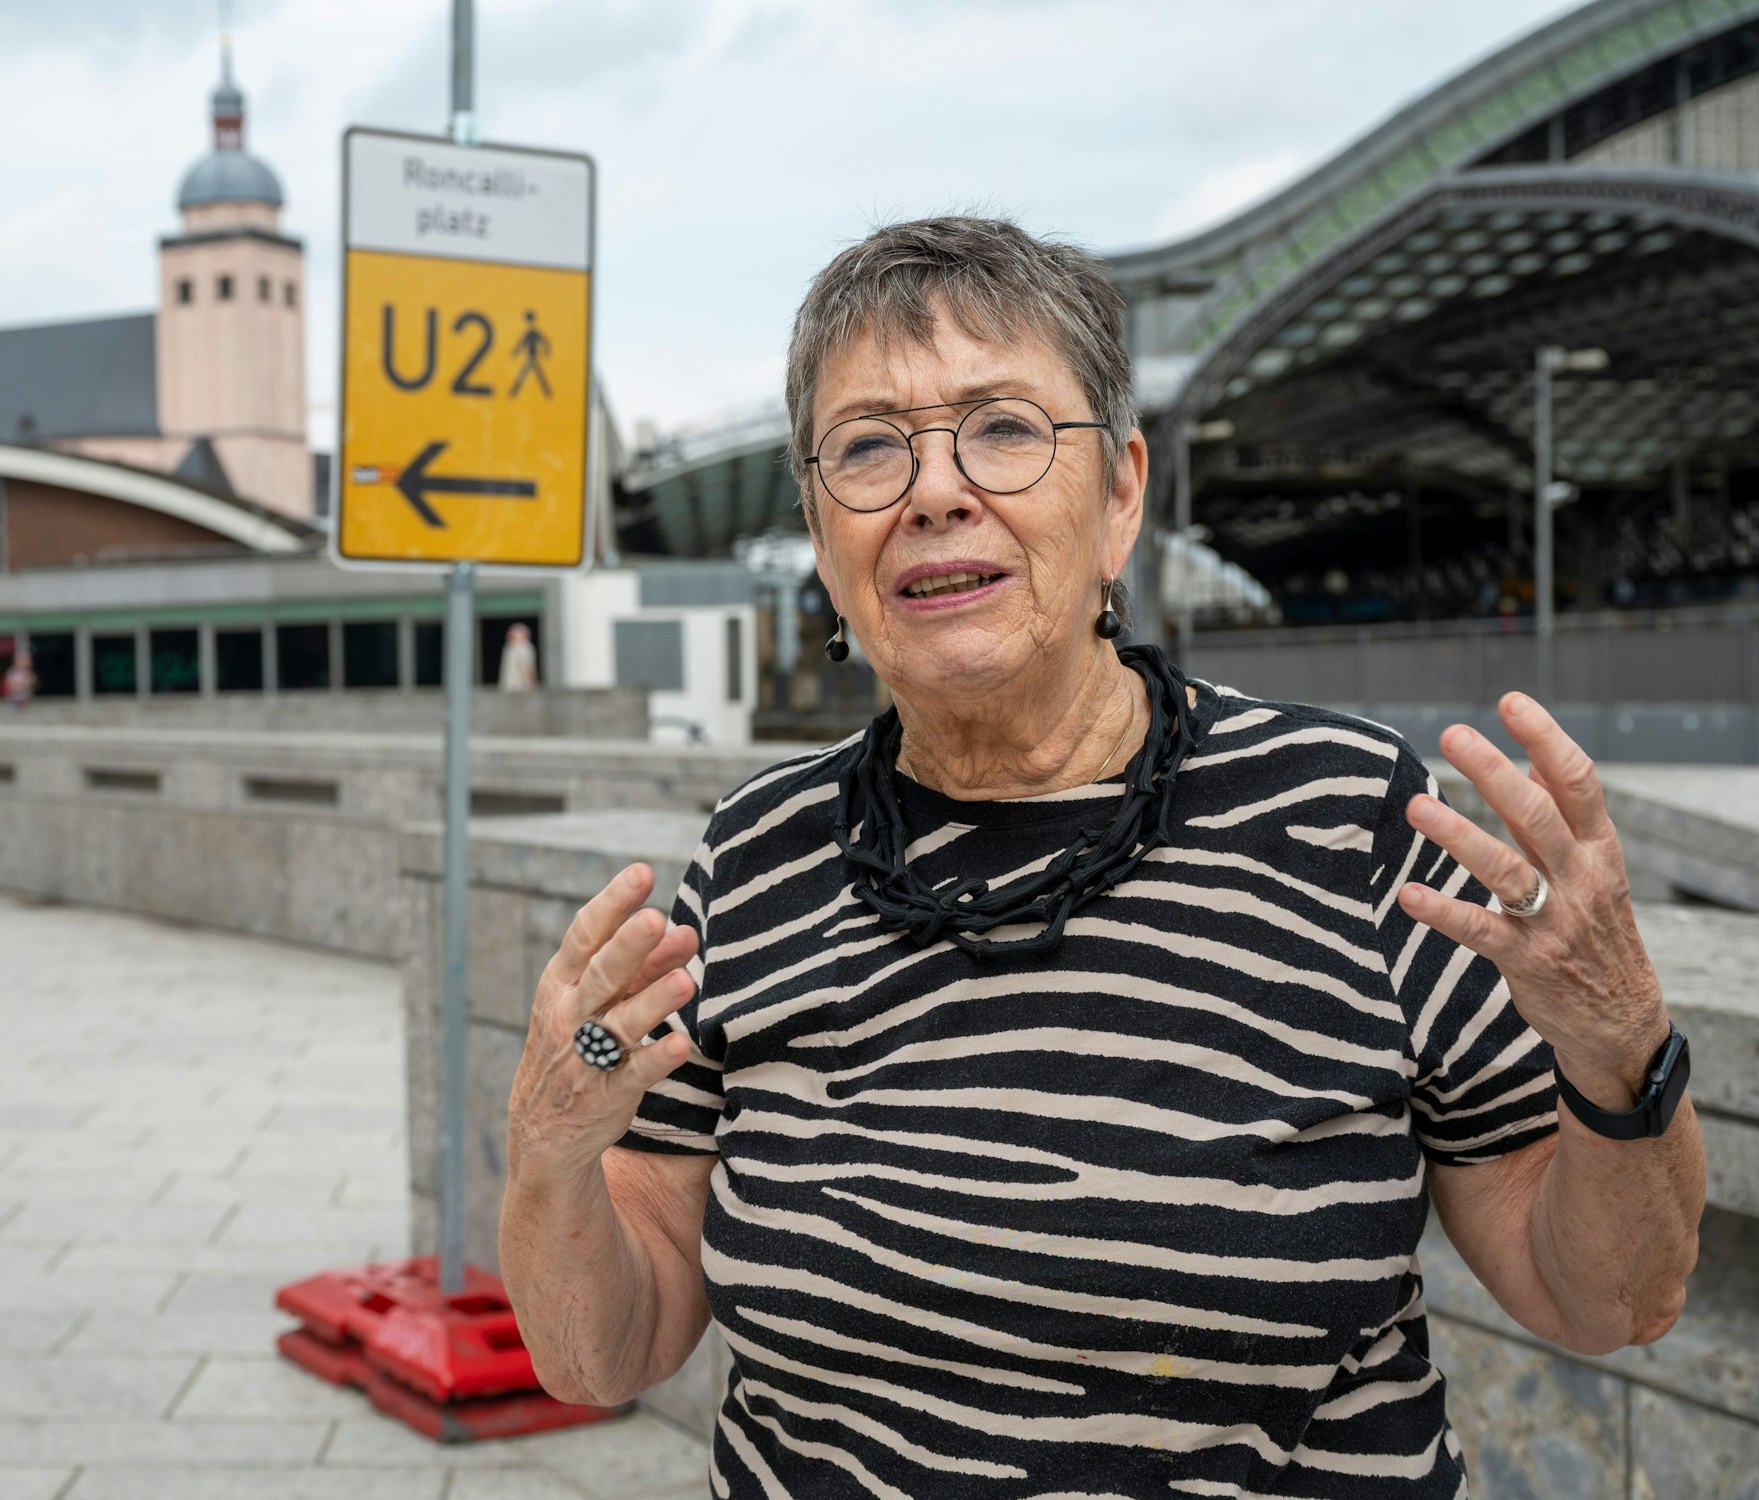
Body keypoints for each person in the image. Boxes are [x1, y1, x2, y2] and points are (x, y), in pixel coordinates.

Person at [498, 218, 1706, 1498]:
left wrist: (1614, 1043)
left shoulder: (1347, 819)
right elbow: (598, 1356)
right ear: (818, 531)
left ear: (1120, 492)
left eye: (1005, 429)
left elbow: (1609, 1303)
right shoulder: (753, 859)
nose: (933, 491)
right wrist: (549, 1154)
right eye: (866, 448)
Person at [498, 622, 539, 692]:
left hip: (520, 687)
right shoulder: (509, 648)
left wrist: (533, 685)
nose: (509, 635)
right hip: (509, 686)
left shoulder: (524, 647)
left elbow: (527, 668)